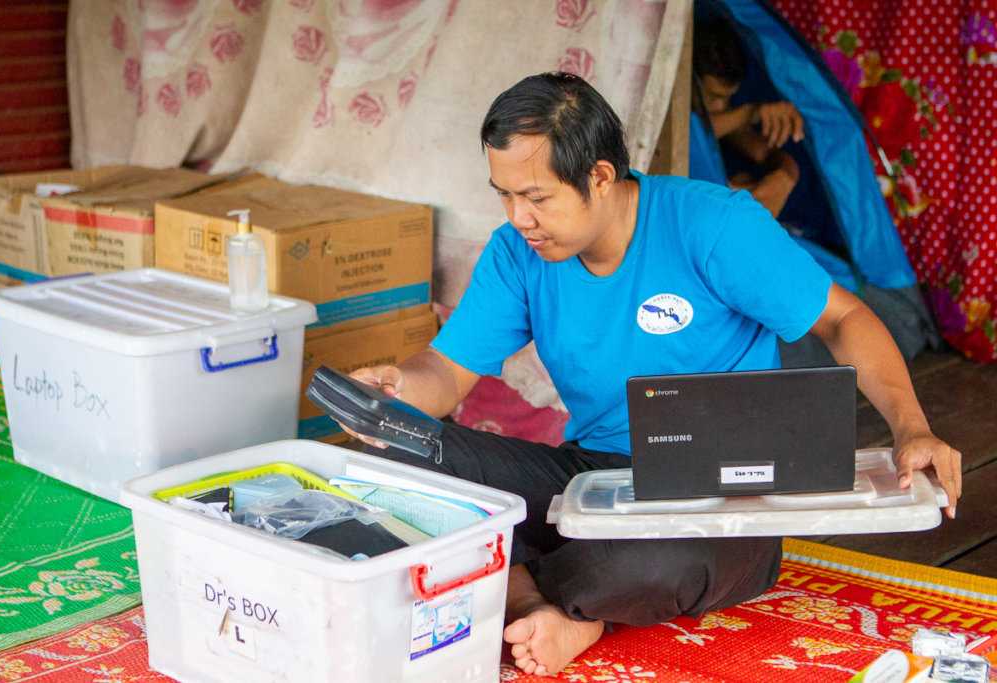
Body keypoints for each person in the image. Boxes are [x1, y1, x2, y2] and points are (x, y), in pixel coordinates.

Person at [341, 72, 962, 677]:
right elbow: (445, 373)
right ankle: (547, 606)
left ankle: (529, 589)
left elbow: (843, 318)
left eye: (535, 197)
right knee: (402, 459)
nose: (518, 217)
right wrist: (396, 390)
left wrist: (911, 427)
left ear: (601, 177)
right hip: (593, 479)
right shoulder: (517, 254)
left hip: (725, 496)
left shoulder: (712, 225)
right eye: (503, 194)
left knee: (660, 562)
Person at [690, 17, 804, 218]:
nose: (721, 107)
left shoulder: (732, 119)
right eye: (712, 97)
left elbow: (764, 152)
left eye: (728, 98)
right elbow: (691, 133)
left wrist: (786, 174)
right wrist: (749, 113)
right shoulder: (677, 118)